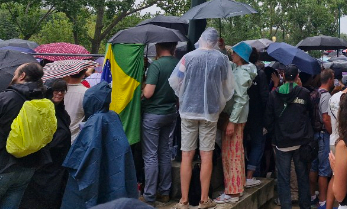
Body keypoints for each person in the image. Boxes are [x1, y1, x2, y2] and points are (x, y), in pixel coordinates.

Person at [168, 28, 235, 209]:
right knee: (207, 155)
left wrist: (185, 94)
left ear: (202, 39)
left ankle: (183, 201)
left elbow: (175, 80)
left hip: (189, 111)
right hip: (211, 113)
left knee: (187, 155)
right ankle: (204, 199)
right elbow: (227, 86)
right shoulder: (221, 59)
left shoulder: (188, 57)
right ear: (215, 42)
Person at [61, 81, 139, 208]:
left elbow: (81, 155)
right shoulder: (112, 115)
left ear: (90, 101)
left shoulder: (95, 121)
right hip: (114, 169)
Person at [0, 62, 51, 209]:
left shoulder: (4, 98)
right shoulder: (42, 101)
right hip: (27, 169)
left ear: (22, 75)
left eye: (16, 73)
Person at [264, 64, 315, 209]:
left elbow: (268, 119)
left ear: (283, 77)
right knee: (302, 176)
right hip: (300, 142)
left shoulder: (274, 94)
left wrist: (276, 133)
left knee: (283, 178)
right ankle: (305, 205)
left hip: (281, 142)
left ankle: (286, 206)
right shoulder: (304, 93)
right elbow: (311, 114)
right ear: (298, 77)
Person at [19, 79, 72, 209]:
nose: (59, 94)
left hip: (57, 167)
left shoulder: (62, 113)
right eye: (56, 90)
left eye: (62, 91)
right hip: (44, 167)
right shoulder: (42, 112)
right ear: (49, 91)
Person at [217, 41, 257, 204]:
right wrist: (221, 50)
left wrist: (232, 122)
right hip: (239, 117)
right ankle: (237, 186)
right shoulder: (242, 69)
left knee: (230, 155)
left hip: (235, 118)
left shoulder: (241, 74)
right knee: (236, 152)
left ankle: (232, 192)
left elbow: (240, 99)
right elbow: (230, 67)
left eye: (234, 53)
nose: (231, 54)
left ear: (240, 57)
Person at [140, 42, 178, 207]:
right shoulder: (178, 63)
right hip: (170, 113)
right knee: (164, 153)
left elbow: (148, 93)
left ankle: (149, 196)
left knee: (150, 155)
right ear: (173, 47)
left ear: (158, 47)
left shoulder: (156, 65)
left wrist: (142, 88)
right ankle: (164, 193)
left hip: (153, 114)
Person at [311, 69, 335, 209]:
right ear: (330, 79)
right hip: (322, 134)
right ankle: (322, 200)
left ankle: (312, 195)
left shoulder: (313, 93)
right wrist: (331, 132)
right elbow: (326, 118)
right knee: (324, 169)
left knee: (313, 166)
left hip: (313, 134)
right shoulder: (326, 96)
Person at [245, 49, 269, 185]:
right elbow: (265, 97)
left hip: (241, 115)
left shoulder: (239, 72)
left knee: (241, 145)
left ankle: (240, 173)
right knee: (257, 145)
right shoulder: (259, 74)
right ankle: (249, 176)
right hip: (257, 116)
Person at [64, 66, 89, 143]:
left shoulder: (59, 91)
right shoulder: (87, 93)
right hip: (77, 137)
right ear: (84, 74)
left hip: (59, 135)